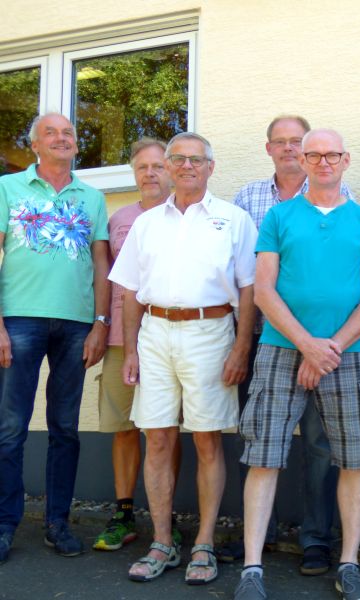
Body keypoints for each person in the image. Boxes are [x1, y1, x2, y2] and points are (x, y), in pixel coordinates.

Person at [234, 128, 360, 600]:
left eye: (332, 155)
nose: (323, 162)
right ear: (302, 159)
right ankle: (252, 568)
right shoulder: (279, 216)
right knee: (263, 455)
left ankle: (349, 563)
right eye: (314, 154)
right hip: (281, 350)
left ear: (346, 160)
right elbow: (263, 289)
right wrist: (307, 345)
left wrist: (330, 349)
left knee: (354, 458)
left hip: (348, 354)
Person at [110, 132, 257, 584]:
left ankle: (204, 545)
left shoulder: (233, 220)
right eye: (178, 159)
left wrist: (240, 346)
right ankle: (162, 543)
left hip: (211, 333)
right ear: (169, 167)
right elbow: (131, 292)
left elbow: (250, 289)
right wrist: (131, 349)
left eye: (196, 160)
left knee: (207, 440)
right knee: (156, 438)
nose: (187, 166)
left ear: (211, 167)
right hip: (154, 334)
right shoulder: (148, 223)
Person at [230, 114, 353, 574]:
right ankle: (258, 540)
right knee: (261, 441)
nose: (289, 149)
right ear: (271, 150)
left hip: (323, 345)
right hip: (265, 338)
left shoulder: (341, 199)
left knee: (322, 445)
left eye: (295, 141)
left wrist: (314, 347)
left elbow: (343, 276)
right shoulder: (248, 199)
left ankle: (315, 538)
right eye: (280, 142)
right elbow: (247, 280)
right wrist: (243, 343)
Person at [0, 113, 110, 564]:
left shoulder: (93, 197)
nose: (62, 138)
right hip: (19, 319)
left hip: (75, 323)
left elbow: (102, 263)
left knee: (65, 428)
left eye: (68, 133)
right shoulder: (8, 188)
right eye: (52, 133)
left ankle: (57, 523)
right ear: (34, 144)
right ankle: (6, 523)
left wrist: (101, 322)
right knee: (10, 428)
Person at [92, 138, 182, 552]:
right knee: (124, 427)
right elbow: (107, 281)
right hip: (118, 340)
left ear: (171, 170)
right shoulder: (120, 219)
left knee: (164, 430)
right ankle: (123, 512)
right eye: (142, 167)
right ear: (133, 173)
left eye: (158, 166)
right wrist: (100, 326)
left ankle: (168, 517)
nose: (150, 174)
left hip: (169, 336)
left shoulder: (184, 217)